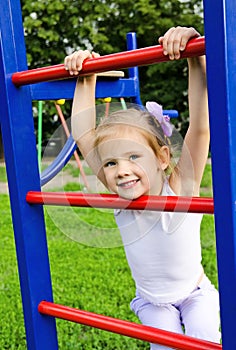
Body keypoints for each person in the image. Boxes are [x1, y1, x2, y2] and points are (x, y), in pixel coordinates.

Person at [64, 26, 221, 349]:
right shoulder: (121, 195)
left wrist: (195, 57)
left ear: (163, 157)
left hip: (195, 292)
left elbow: (201, 127)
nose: (122, 171)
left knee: (204, 339)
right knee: (165, 344)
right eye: (110, 163)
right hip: (152, 300)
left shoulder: (180, 185)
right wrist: (86, 74)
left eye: (134, 157)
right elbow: (83, 135)